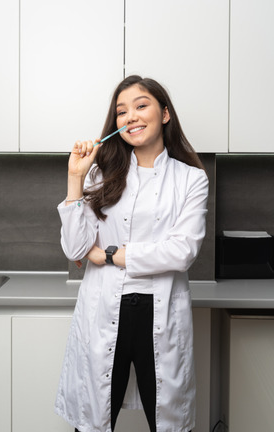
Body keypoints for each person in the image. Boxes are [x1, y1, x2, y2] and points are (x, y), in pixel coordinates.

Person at [55, 75, 209, 432]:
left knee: (167, 420)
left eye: (142, 106)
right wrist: (75, 178)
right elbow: (76, 248)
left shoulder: (191, 180)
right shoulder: (100, 173)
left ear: (165, 114)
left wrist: (109, 255)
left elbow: (181, 251)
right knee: (94, 418)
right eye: (121, 111)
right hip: (105, 307)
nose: (131, 117)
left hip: (160, 309)